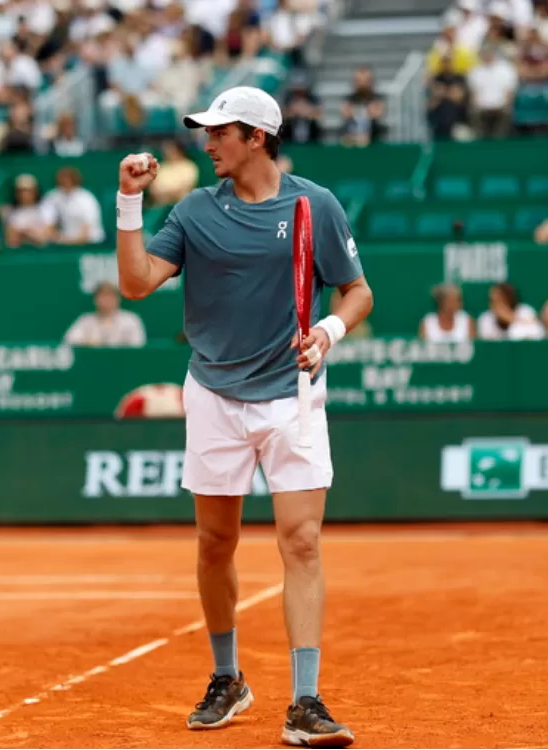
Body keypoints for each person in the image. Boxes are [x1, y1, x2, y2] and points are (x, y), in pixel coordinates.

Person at [114, 85, 372, 748]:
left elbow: (356, 291)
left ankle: (306, 701)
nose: (206, 144)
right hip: (214, 396)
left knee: (301, 542)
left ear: (256, 136)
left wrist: (329, 332)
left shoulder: (315, 205)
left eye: (219, 132)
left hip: (292, 392)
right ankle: (227, 678)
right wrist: (128, 200)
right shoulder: (195, 209)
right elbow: (137, 282)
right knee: (214, 543)